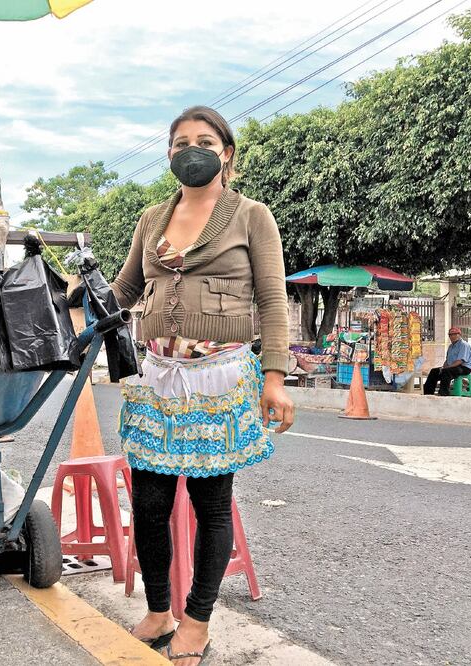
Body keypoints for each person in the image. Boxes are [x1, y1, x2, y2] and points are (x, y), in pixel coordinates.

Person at [111, 106, 294, 665]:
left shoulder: (252, 216)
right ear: (168, 155)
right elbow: (123, 290)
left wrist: (276, 378)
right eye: (181, 141)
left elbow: (272, 299)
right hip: (156, 378)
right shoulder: (150, 218)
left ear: (227, 153)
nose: (192, 148)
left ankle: (198, 619)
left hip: (220, 377)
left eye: (205, 140)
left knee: (212, 505)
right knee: (148, 503)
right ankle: (159, 609)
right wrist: (69, 315)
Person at [423, 327, 471, 396]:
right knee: (434, 371)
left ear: (459, 335)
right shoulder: (451, 346)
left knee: (446, 371)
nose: (452, 336)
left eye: (455, 334)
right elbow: (447, 360)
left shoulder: (464, 345)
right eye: (450, 334)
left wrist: (446, 368)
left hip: (464, 367)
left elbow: (460, 361)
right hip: (453, 366)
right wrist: (443, 367)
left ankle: (443, 393)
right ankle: (428, 393)